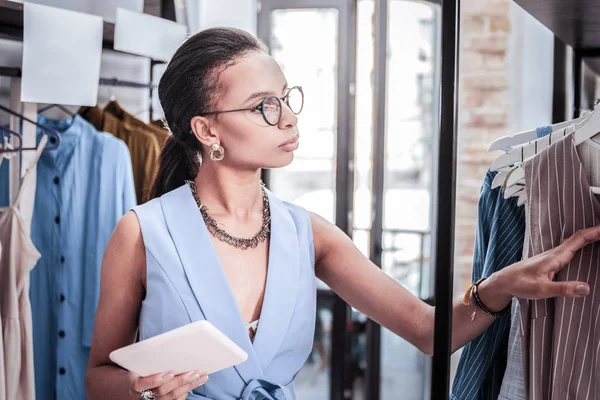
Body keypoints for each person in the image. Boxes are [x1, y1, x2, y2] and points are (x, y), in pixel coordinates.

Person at [85, 27, 600, 400]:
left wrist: (501, 285)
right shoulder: (142, 232)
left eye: (286, 98)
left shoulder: (307, 233)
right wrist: (142, 392)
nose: (288, 117)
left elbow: (428, 331)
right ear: (207, 130)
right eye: (264, 105)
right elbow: (97, 376)